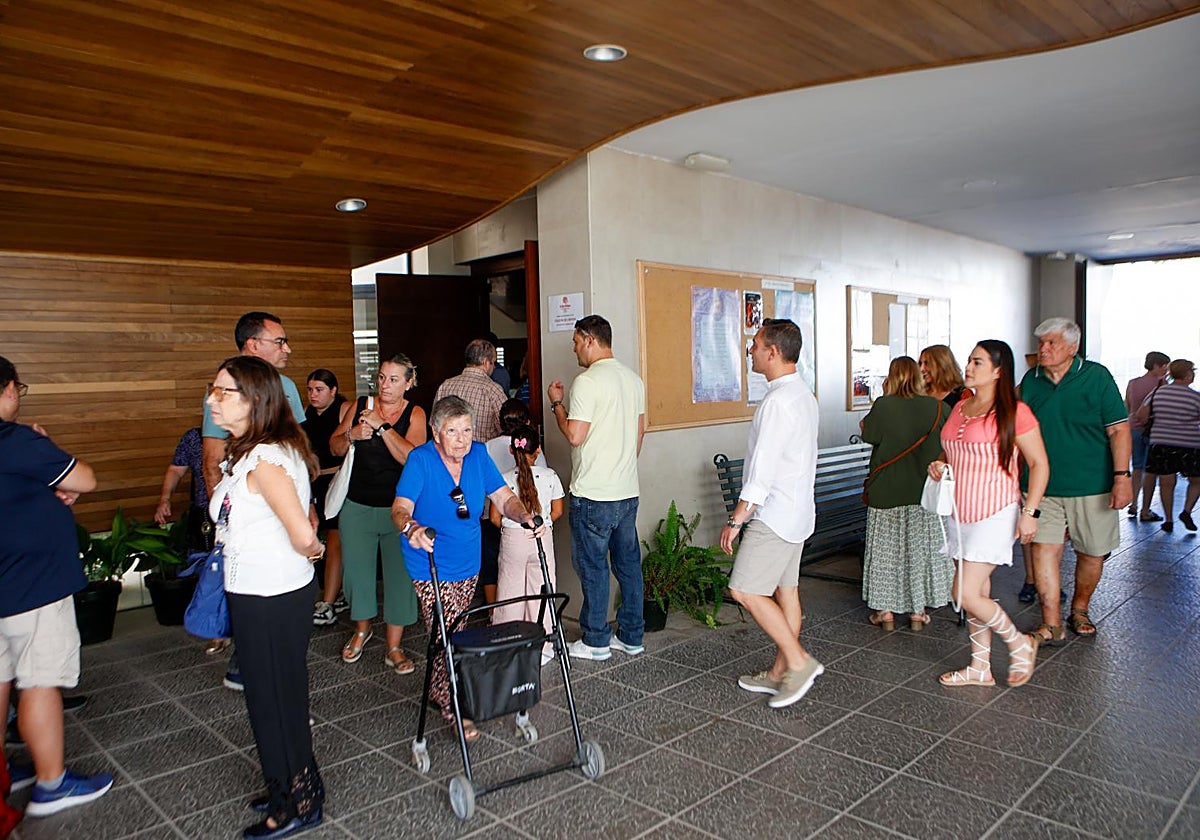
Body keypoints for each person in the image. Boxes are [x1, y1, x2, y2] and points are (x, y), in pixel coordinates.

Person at [205, 356, 325, 839]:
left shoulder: (266, 460)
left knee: (275, 702)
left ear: (255, 399)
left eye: (223, 392)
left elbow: (304, 534)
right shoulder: (257, 450)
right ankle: (291, 782)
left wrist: (314, 553)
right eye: (212, 389)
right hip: (260, 592)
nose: (212, 400)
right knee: (272, 697)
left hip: (272, 595)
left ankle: (293, 804)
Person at [0, 356, 113, 821]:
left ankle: (4, 772)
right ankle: (51, 784)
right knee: (39, 680)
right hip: (32, 583)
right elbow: (84, 477)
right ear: (7, 389)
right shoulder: (16, 440)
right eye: (18, 389)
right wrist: (47, 452)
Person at [394, 396, 540, 742]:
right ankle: (455, 705)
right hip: (429, 559)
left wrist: (523, 514)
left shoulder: (478, 455)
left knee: (452, 627)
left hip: (467, 560)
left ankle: (440, 686)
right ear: (436, 433)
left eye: (467, 430)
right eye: (452, 431)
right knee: (447, 630)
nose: (462, 439)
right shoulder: (420, 460)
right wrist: (411, 528)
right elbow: (400, 508)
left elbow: (503, 497)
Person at [201, 312, 312, 691]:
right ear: (253, 344)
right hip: (247, 540)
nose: (287, 349)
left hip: (281, 566)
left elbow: (299, 450)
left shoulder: (287, 388)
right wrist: (224, 519)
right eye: (279, 341)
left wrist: (307, 508)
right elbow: (212, 459)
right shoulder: (228, 389)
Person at [931, 340, 1049, 687]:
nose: (968, 367)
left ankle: (1019, 644)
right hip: (959, 512)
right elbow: (952, 450)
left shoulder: (1015, 412)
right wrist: (939, 464)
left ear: (999, 371)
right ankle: (979, 667)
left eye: (978, 362)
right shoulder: (961, 406)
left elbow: (1039, 464)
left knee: (964, 593)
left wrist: (1030, 511)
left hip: (995, 511)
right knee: (978, 592)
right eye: (969, 360)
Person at [721, 320, 824, 708]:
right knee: (787, 591)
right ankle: (780, 674)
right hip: (798, 512)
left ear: (774, 352)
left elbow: (762, 471)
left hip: (775, 514)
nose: (750, 350)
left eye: (756, 345)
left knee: (743, 589)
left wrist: (737, 519)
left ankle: (798, 662)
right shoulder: (803, 395)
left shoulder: (778, 402)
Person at [1019, 317, 1131, 640]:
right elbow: (1018, 431)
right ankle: (1051, 622)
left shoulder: (1096, 377)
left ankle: (1080, 608)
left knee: (1092, 552)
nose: (1043, 349)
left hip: (1092, 485)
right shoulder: (1031, 380)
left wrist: (1122, 477)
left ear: (1073, 347)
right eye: (1041, 343)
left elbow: (1118, 430)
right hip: (1042, 486)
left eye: (1051, 343)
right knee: (1043, 549)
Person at [547, 315, 646, 661]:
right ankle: (631, 636)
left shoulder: (587, 382)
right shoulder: (633, 380)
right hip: (627, 489)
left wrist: (557, 405)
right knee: (628, 566)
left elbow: (575, 435)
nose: (574, 349)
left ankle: (596, 640)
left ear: (590, 339)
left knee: (593, 566)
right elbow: (639, 436)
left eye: (576, 341)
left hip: (593, 493)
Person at [328, 356, 423, 672]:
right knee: (357, 574)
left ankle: (394, 646)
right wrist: (351, 435)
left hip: (399, 510)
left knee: (400, 577)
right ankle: (361, 630)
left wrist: (382, 427)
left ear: (408, 382)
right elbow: (334, 447)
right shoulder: (360, 406)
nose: (385, 385)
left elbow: (413, 458)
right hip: (357, 505)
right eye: (382, 377)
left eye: (394, 379)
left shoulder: (415, 413)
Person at [859, 356, 951, 632]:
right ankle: (917, 612)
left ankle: (885, 612)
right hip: (924, 493)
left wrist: (884, 398)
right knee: (919, 553)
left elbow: (868, 433)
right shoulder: (938, 407)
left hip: (886, 491)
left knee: (885, 554)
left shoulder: (884, 405)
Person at [489, 424, 565, 665]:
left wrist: (512, 528)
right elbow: (557, 511)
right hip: (542, 537)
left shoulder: (503, 479)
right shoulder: (550, 476)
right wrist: (541, 525)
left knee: (510, 591)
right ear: (538, 450)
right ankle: (543, 645)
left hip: (513, 538)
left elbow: (494, 518)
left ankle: (508, 643)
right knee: (541, 590)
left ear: (512, 450)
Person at [480, 399, 546, 606]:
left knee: (491, 566)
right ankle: (527, 611)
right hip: (527, 521)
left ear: (500, 422)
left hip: (492, 516)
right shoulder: (533, 447)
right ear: (527, 422)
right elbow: (541, 479)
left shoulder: (487, 447)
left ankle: (493, 613)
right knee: (526, 568)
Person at [304, 370, 349, 626]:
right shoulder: (307, 414)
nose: (313, 395)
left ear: (333, 390)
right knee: (313, 536)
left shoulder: (343, 410)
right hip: (313, 482)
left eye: (319, 389)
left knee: (335, 539)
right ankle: (331, 592)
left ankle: (329, 601)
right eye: (310, 390)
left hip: (336, 481)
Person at [1137, 358, 1200, 533]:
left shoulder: (1158, 392)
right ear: (1187, 375)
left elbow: (1141, 415)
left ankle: (1169, 520)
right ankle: (1186, 511)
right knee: (1196, 481)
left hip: (1161, 443)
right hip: (1190, 445)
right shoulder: (1196, 397)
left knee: (1166, 483)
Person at [433, 339, 506, 443]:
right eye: (493, 362)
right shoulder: (493, 390)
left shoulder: (445, 386)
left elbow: (434, 424)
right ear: (485, 362)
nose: (494, 367)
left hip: (448, 451)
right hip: (483, 451)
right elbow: (506, 427)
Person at [1126, 351, 1171, 522]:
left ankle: (1133, 503)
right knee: (1151, 471)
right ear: (1156, 365)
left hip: (1134, 429)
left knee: (1137, 468)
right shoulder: (1162, 384)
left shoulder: (1132, 383)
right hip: (1154, 431)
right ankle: (1145, 509)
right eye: (1164, 366)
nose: (1166, 370)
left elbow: (1128, 405)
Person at [153, 427, 211, 554]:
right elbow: (176, 470)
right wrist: (165, 499)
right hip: (203, 515)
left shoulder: (246, 436)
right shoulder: (194, 437)